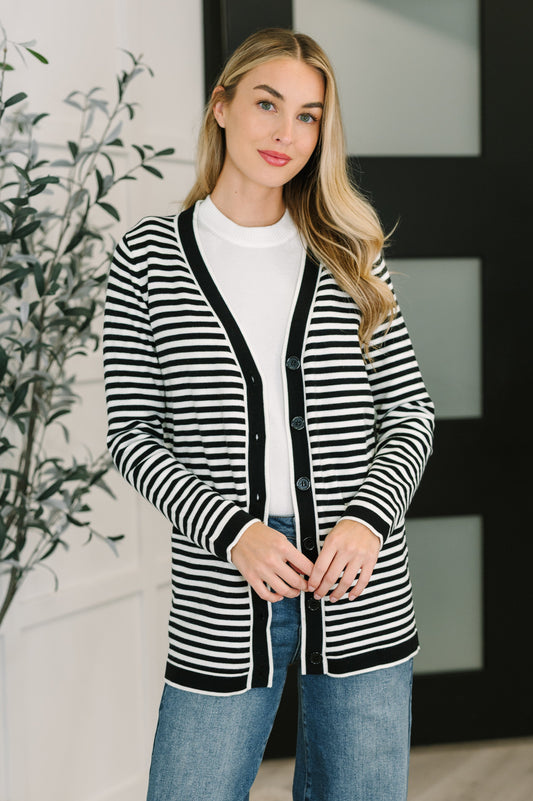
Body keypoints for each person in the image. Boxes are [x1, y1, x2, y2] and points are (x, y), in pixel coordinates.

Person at [103, 27, 434, 801]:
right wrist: (235, 531)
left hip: (359, 582)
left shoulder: (350, 252)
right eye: (266, 104)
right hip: (225, 586)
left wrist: (365, 519)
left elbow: (409, 411)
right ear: (220, 107)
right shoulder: (146, 257)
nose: (287, 132)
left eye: (309, 115)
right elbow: (132, 434)